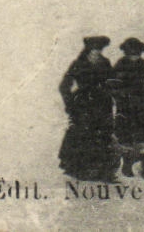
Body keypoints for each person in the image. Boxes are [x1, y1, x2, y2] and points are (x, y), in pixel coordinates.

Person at [58, 36, 119, 181]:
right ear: (88, 50)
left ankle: (104, 172)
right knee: (83, 136)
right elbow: (64, 86)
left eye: (99, 50)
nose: (96, 53)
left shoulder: (105, 63)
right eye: (93, 50)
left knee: (103, 136)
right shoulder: (78, 64)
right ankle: (80, 170)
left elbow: (112, 82)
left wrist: (111, 94)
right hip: (83, 105)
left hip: (102, 104)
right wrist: (70, 104)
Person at [110, 38, 144, 180]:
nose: (134, 57)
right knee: (125, 136)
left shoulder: (143, 65)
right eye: (131, 54)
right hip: (125, 108)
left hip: (142, 108)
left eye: (137, 54)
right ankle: (126, 165)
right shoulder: (121, 65)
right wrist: (120, 97)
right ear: (126, 53)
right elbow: (112, 83)